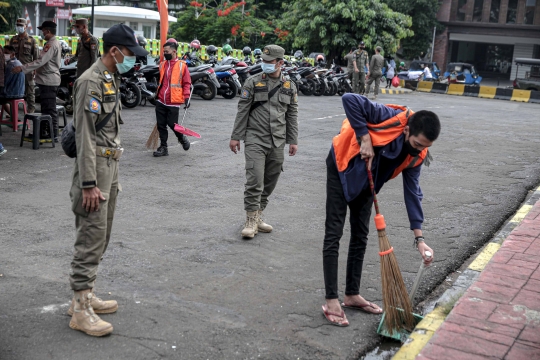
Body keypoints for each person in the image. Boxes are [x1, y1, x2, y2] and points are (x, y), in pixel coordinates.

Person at [321, 93, 440, 326]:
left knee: (360, 235)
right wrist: (364, 138)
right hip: (343, 163)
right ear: (407, 131)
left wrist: (420, 239)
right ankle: (331, 299)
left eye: (425, 147)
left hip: (368, 179)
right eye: (417, 144)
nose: (419, 151)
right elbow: (349, 99)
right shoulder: (391, 117)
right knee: (334, 232)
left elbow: (413, 193)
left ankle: (351, 294)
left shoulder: (418, 155)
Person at [67, 24, 149, 337]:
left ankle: (84, 295)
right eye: (130, 53)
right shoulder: (90, 81)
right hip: (96, 168)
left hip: (110, 166)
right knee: (91, 235)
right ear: (114, 51)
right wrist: (89, 183)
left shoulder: (110, 77)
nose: (133, 59)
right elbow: (85, 136)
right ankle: (80, 309)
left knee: (102, 234)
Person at [230, 45, 299, 239]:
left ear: (280, 63)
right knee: (255, 180)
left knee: (270, 180)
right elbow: (242, 110)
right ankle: (250, 220)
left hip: (277, 140)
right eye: (263, 61)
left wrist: (293, 140)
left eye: (269, 62)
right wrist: (236, 136)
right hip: (255, 138)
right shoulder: (252, 82)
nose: (265, 65)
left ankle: (258, 214)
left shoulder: (289, 86)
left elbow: (292, 115)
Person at [12, 21, 62, 142]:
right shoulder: (54, 42)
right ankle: (45, 132)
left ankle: (52, 133)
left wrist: (22, 68)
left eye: (43, 30)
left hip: (48, 80)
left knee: (49, 109)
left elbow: (40, 61)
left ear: (48, 31)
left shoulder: (51, 44)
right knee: (46, 109)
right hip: (47, 79)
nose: (42, 33)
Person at [153, 41, 192, 157]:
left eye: (167, 52)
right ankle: (163, 147)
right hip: (161, 100)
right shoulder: (163, 64)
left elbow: (187, 83)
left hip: (173, 101)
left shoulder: (182, 65)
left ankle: (181, 137)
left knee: (172, 124)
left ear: (174, 52)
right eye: (164, 51)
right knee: (161, 125)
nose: (164, 53)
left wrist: (186, 98)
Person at [9, 18, 39, 114]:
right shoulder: (13, 40)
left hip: (27, 70)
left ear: (26, 27)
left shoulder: (32, 40)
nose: (19, 27)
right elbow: (9, 53)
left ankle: (31, 112)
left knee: (30, 91)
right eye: (18, 26)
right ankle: (13, 112)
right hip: (14, 69)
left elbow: (36, 57)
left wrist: (35, 69)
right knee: (14, 90)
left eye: (21, 26)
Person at [1, 46, 26, 116]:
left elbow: (5, 81)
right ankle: (13, 116)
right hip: (19, 92)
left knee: (2, 98)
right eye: (3, 53)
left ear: (12, 54)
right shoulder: (18, 62)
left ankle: (13, 116)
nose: (4, 55)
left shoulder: (11, 65)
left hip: (13, 93)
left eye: (6, 53)